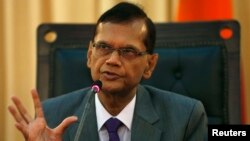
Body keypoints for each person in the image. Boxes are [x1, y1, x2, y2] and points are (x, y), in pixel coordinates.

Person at [8, 2, 208, 141]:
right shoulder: (52, 117)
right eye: (103, 47)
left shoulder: (185, 118)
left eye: (128, 51)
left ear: (150, 65)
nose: (112, 60)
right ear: (89, 55)